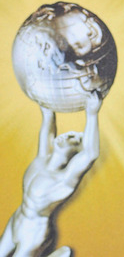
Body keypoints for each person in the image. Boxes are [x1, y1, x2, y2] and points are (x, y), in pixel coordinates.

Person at [0, 93, 102, 257]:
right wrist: (43, 94)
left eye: (73, 138)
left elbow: (90, 154)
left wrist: (92, 113)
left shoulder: (63, 180)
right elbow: (47, 117)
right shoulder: (42, 159)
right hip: (16, 221)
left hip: (34, 234)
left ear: (74, 153)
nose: (66, 135)